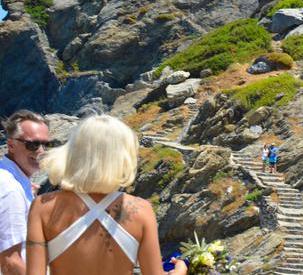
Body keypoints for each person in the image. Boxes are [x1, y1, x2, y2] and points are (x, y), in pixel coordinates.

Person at [25, 115, 187, 275]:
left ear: (74, 153)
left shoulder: (43, 206)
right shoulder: (142, 210)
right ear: (122, 157)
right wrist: (178, 271)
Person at [0, 110, 54, 275]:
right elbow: (10, 262)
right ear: (11, 145)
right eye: (32, 145)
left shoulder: (12, 182)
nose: (41, 151)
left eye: (47, 144)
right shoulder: (10, 189)